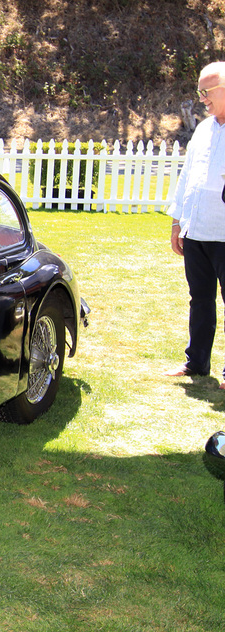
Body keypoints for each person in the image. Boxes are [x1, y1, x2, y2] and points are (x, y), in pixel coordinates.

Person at [166, 61, 225, 388]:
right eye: (199, 91)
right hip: (197, 231)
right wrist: (177, 222)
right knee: (200, 300)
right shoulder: (203, 129)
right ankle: (196, 363)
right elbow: (187, 178)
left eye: (207, 91)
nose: (202, 98)